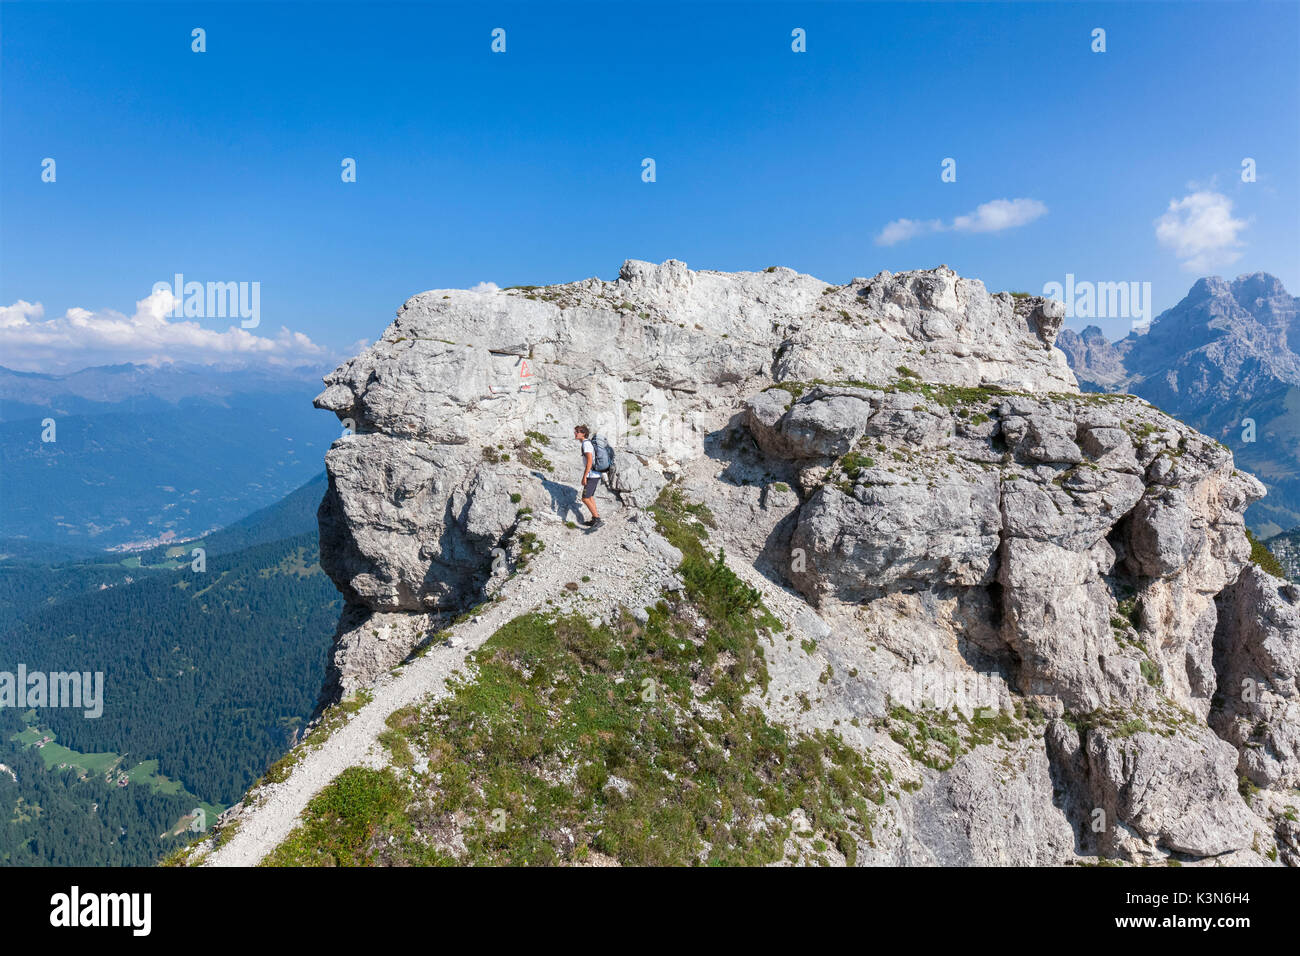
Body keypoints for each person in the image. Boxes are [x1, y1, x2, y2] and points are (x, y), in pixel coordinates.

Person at [574, 424, 603, 528]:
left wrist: (584, 476)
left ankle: (597, 519)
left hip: (592, 475)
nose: (575, 433)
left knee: (585, 498)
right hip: (595, 474)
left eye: (577, 432)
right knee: (590, 497)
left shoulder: (586, 444)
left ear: (583, 434)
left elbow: (589, 461)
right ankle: (595, 519)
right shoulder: (587, 443)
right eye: (575, 431)